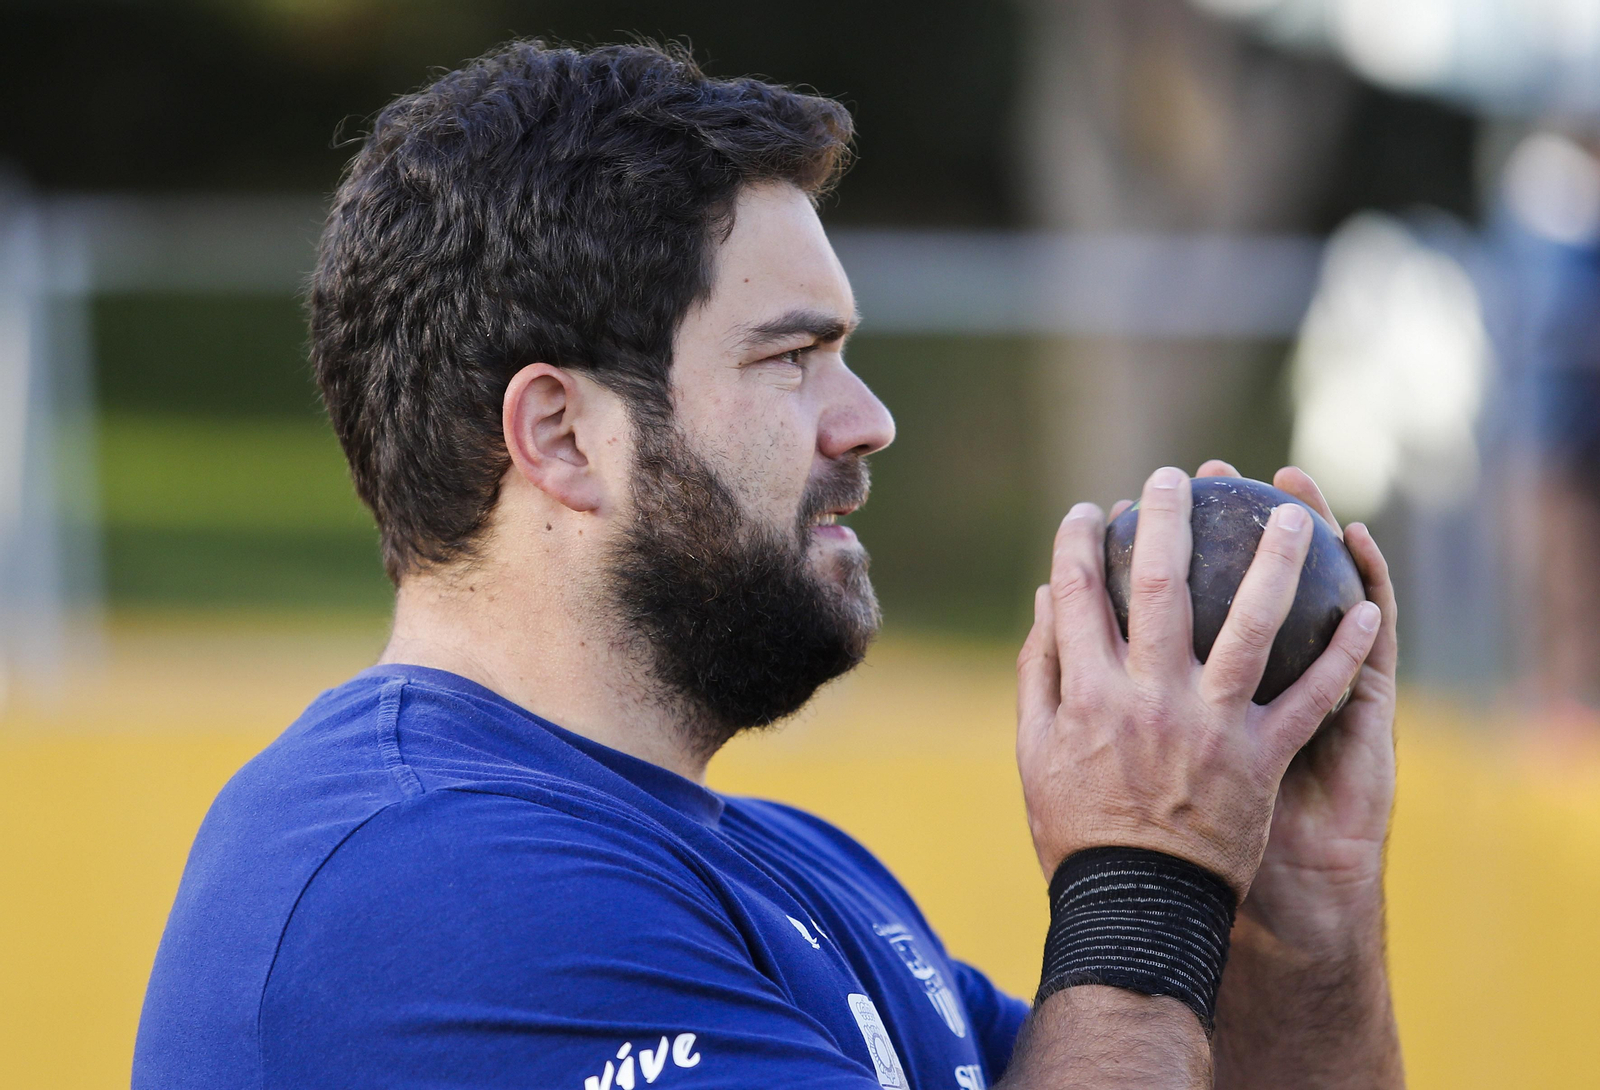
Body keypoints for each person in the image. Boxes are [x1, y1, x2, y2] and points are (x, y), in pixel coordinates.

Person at [133, 40, 1403, 1089]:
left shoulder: (798, 873)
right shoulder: (423, 888)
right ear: (562, 435)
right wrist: (1144, 880)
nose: (866, 420)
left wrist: (1290, 922)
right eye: (789, 359)